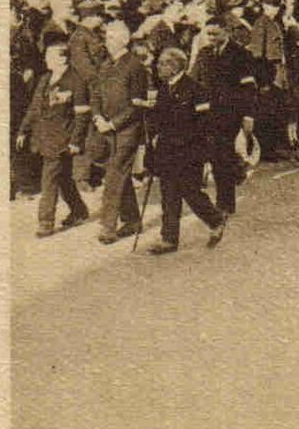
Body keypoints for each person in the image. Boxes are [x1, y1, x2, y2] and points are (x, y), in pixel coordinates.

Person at [145, 46, 230, 254]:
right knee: (168, 194)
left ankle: (216, 219)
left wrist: (196, 148)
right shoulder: (165, 88)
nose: (158, 67)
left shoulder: (195, 89)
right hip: (167, 151)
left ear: (174, 66)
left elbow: (204, 124)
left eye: (162, 63)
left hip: (189, 151)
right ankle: (169, 239)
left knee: (190, 192)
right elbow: (159, 117)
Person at [15, 33, 90, 237]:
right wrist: (23, 130)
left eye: (50, 56)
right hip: (43, 138)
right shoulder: (45, 79)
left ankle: (45, 222)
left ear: (63, 58)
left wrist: (76, 141)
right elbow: (34, 108)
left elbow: (82, 116)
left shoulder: (76, 81)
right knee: (63, 178)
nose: (46, 60)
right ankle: (79, 211)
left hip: (61, 140)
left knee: (49, 180)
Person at [190, 15, 260, 216]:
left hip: (231, 114)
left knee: (223, 158)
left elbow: (249, 89)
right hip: (206, 113)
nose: (211, 37)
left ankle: (225, 205)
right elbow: (193, 81)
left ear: (226, 31)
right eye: (208, 34)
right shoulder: (204, 54)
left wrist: (248, 116)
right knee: (213, 156)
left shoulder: (241, 54)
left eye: (215, 33)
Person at [90, 19, 150, 244]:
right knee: (120, 174)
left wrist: (113, 123)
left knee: (115, 174)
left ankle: (108, 227)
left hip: (127, 130)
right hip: (105, 129)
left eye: (111, 38)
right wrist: (97, 117)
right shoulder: (105, 66)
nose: (106, 42)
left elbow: (137, 105)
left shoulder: (135, 66)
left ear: (124, 40)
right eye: (106, 37)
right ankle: (133, 220)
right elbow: (95, 94)